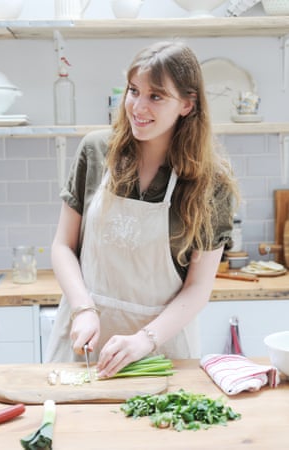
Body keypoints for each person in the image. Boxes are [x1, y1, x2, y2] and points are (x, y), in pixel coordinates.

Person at [45, 40, 239, 378]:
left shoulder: (212, 182)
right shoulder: (95, 151)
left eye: (156, 96)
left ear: (187, 105)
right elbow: (63, 245)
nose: (137, 106)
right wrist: (83, 309)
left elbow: (197, 287)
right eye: (134, 91)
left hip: (159, 350)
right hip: (83, 341)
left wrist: (144, 341)